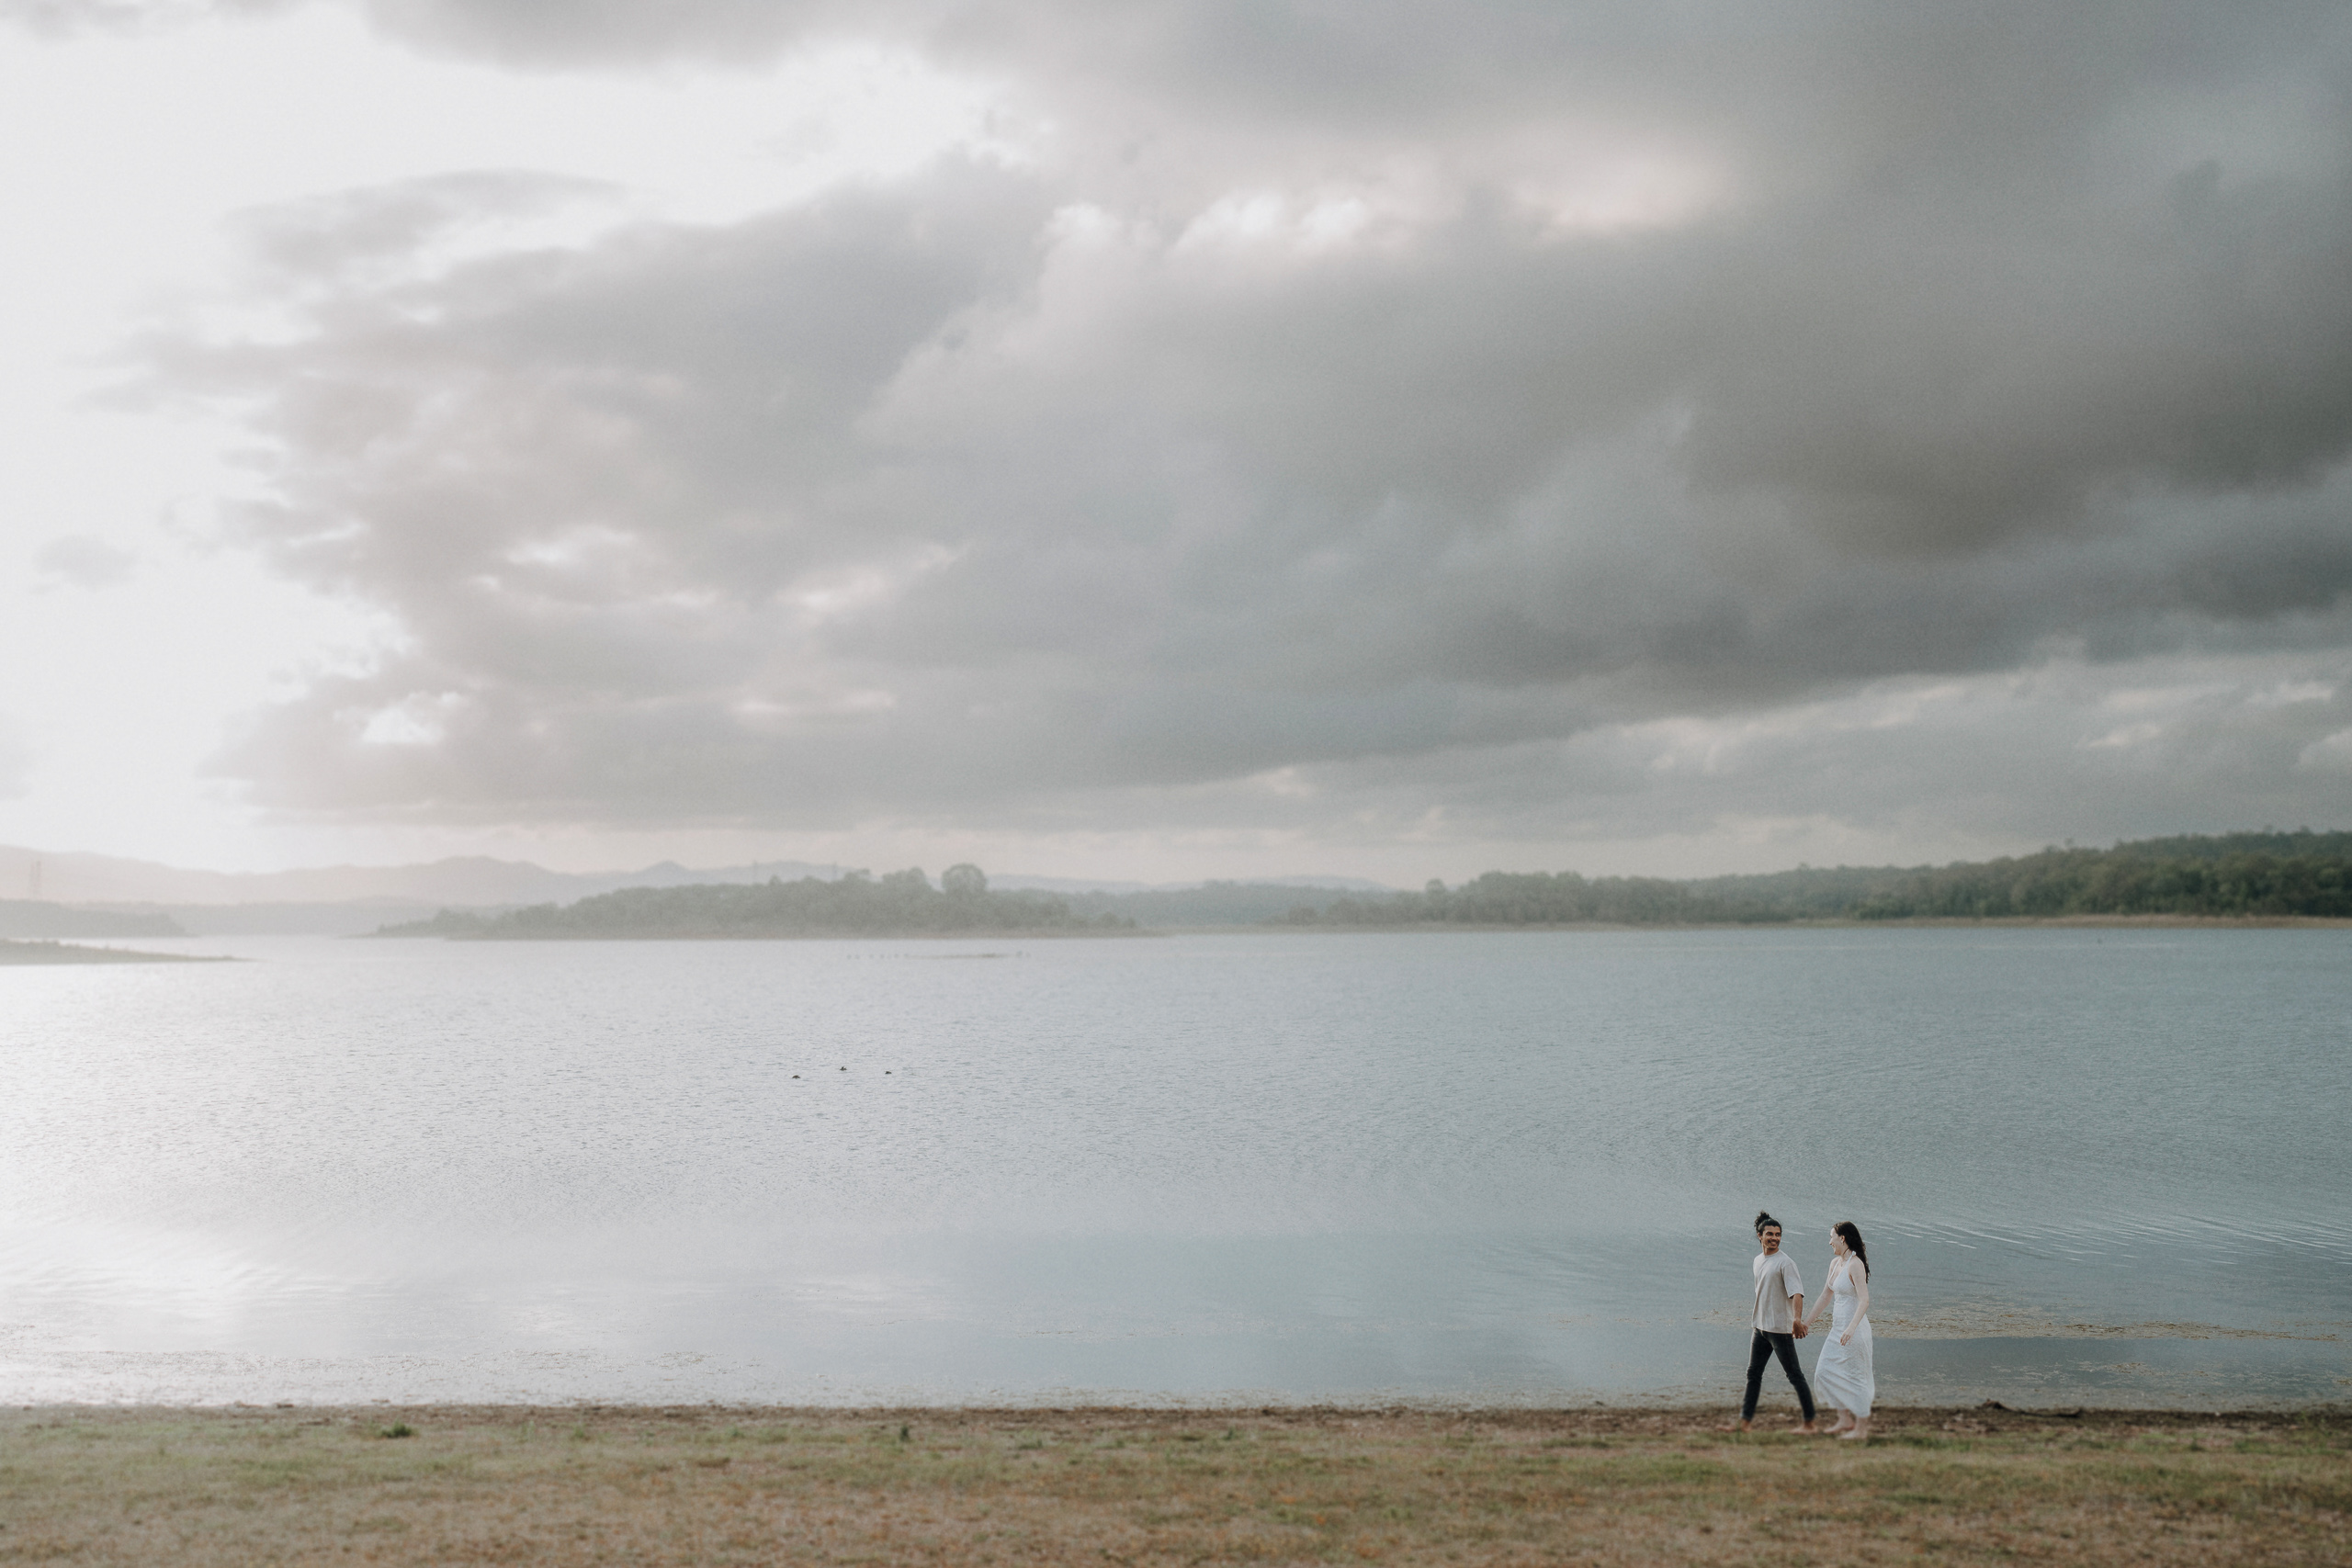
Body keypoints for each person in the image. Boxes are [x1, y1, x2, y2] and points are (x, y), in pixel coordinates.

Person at [1732, 1210, 1817, 1433]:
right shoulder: (1758, 1260)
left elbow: (1796, 1293)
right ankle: (1745, 1423)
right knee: (1753, 1374)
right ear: (1759, 1236)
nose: (1775, 1238)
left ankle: (1809, 1422)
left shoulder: (1785, 1263)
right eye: (1770, 1234)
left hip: (1780, 1330)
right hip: (1759, 1328)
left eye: (1778, 1234)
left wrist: (1797, 1320)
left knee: (1795, 1376)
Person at [1804, 1219, 1875, 1439]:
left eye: (1832, 1237)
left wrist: (1851, 1329)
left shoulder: (1856, 1265)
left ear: (1842, 1238)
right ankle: (1844, 1419)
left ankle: (1861, 1429)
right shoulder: (1835, 1264)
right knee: (1824, 1373)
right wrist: (1806, 1323)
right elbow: (1826, 1296)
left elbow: (1864, 1301)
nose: (1829, 1242)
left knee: (1857, 1378)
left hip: (1854, 1332)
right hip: (1837, 1331)